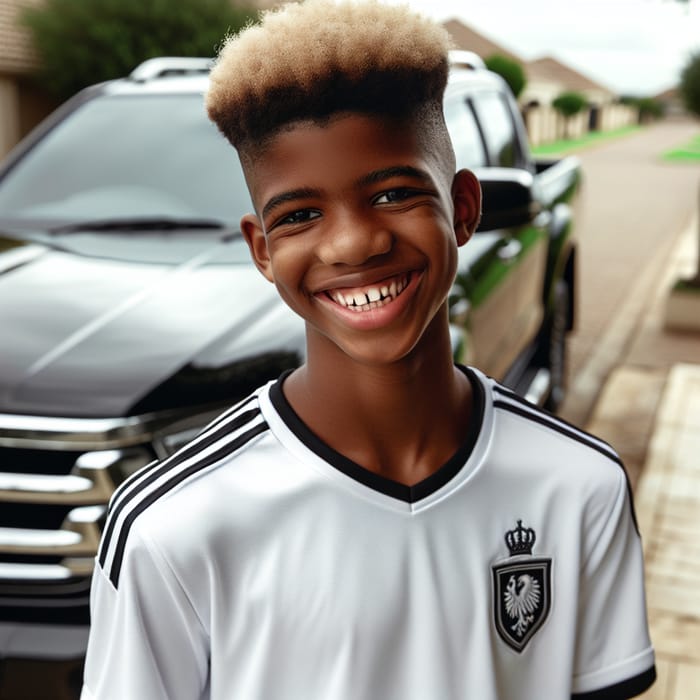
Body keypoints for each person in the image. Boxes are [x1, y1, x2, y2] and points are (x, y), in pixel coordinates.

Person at [81, 1, 655, 698]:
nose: (353, 242)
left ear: (464, 207)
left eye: (391, 193)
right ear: (262, 250)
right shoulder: (174, 527)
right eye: (299, 214)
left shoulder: (578, 485)